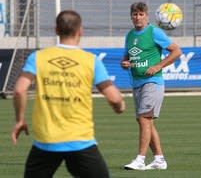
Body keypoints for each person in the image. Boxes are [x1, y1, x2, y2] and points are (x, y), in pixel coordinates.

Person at [11, 10, 126, 178]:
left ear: (56, 30)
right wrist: (119, 106)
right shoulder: (90, 60)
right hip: (80, 141)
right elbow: (114, 98)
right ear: (80, 30)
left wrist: (20, 120)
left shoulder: (38, 57)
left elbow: (19, 90)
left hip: (46, 141)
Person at [121, 2, 182, 170]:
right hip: (137, 83)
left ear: (147, 16)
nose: (138, 17)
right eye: (135, 14)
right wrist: (124, 63)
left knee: (143, 119)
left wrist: (158, 66)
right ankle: (159, 160)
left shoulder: (154, 32)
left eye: (141, 14)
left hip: (153, 82)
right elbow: (125, 59)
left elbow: (176, 51)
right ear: (131, 16)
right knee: (146, 122)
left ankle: (140, 160)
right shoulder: (129, 35)